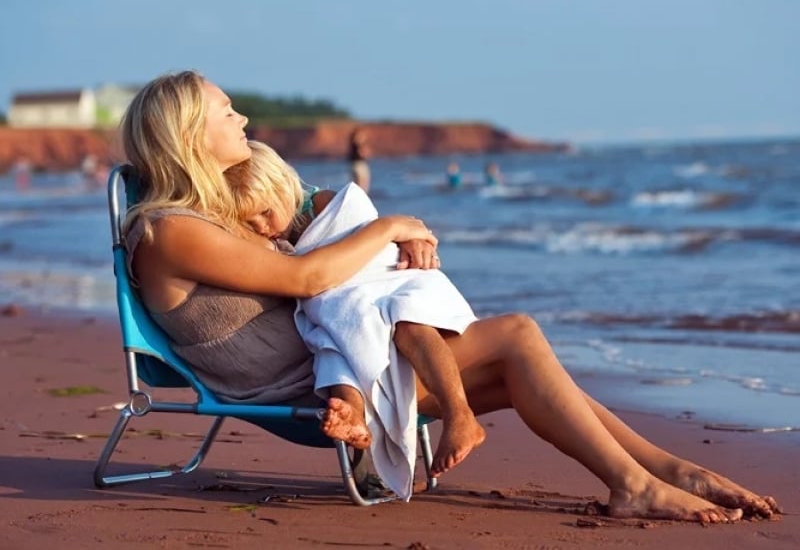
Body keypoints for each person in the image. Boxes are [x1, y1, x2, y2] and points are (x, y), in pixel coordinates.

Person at [120, 69, 778, 523]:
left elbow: (306, 209)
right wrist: (391, 227)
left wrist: (380, 226)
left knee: (527, 365)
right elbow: (306, 279)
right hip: (315, 387)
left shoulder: (215, 215)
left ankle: (662, 472)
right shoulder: (171, 230)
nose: (243, 117)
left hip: (336, 370)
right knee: (517, 337)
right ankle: (638, 481)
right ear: (188, 135)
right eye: (226, 111)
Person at [225, 141, 486, 479]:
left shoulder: (326, 204)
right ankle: (353, 417)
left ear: (281, 187)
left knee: (411, 326)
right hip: (346, 305)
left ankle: (460, 415)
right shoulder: (273, 240)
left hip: (387, 286)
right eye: (251, 223)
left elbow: (365, 227)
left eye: (264, 212)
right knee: (332, 346)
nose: (262, 226)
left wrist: (406, 240)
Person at [348, 127, 371, 192]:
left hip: (358, 165)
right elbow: (364, 154)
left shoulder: (355, 146)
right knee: (360, 184)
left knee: (360, 184)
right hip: (359, 165)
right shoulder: (357, 145)